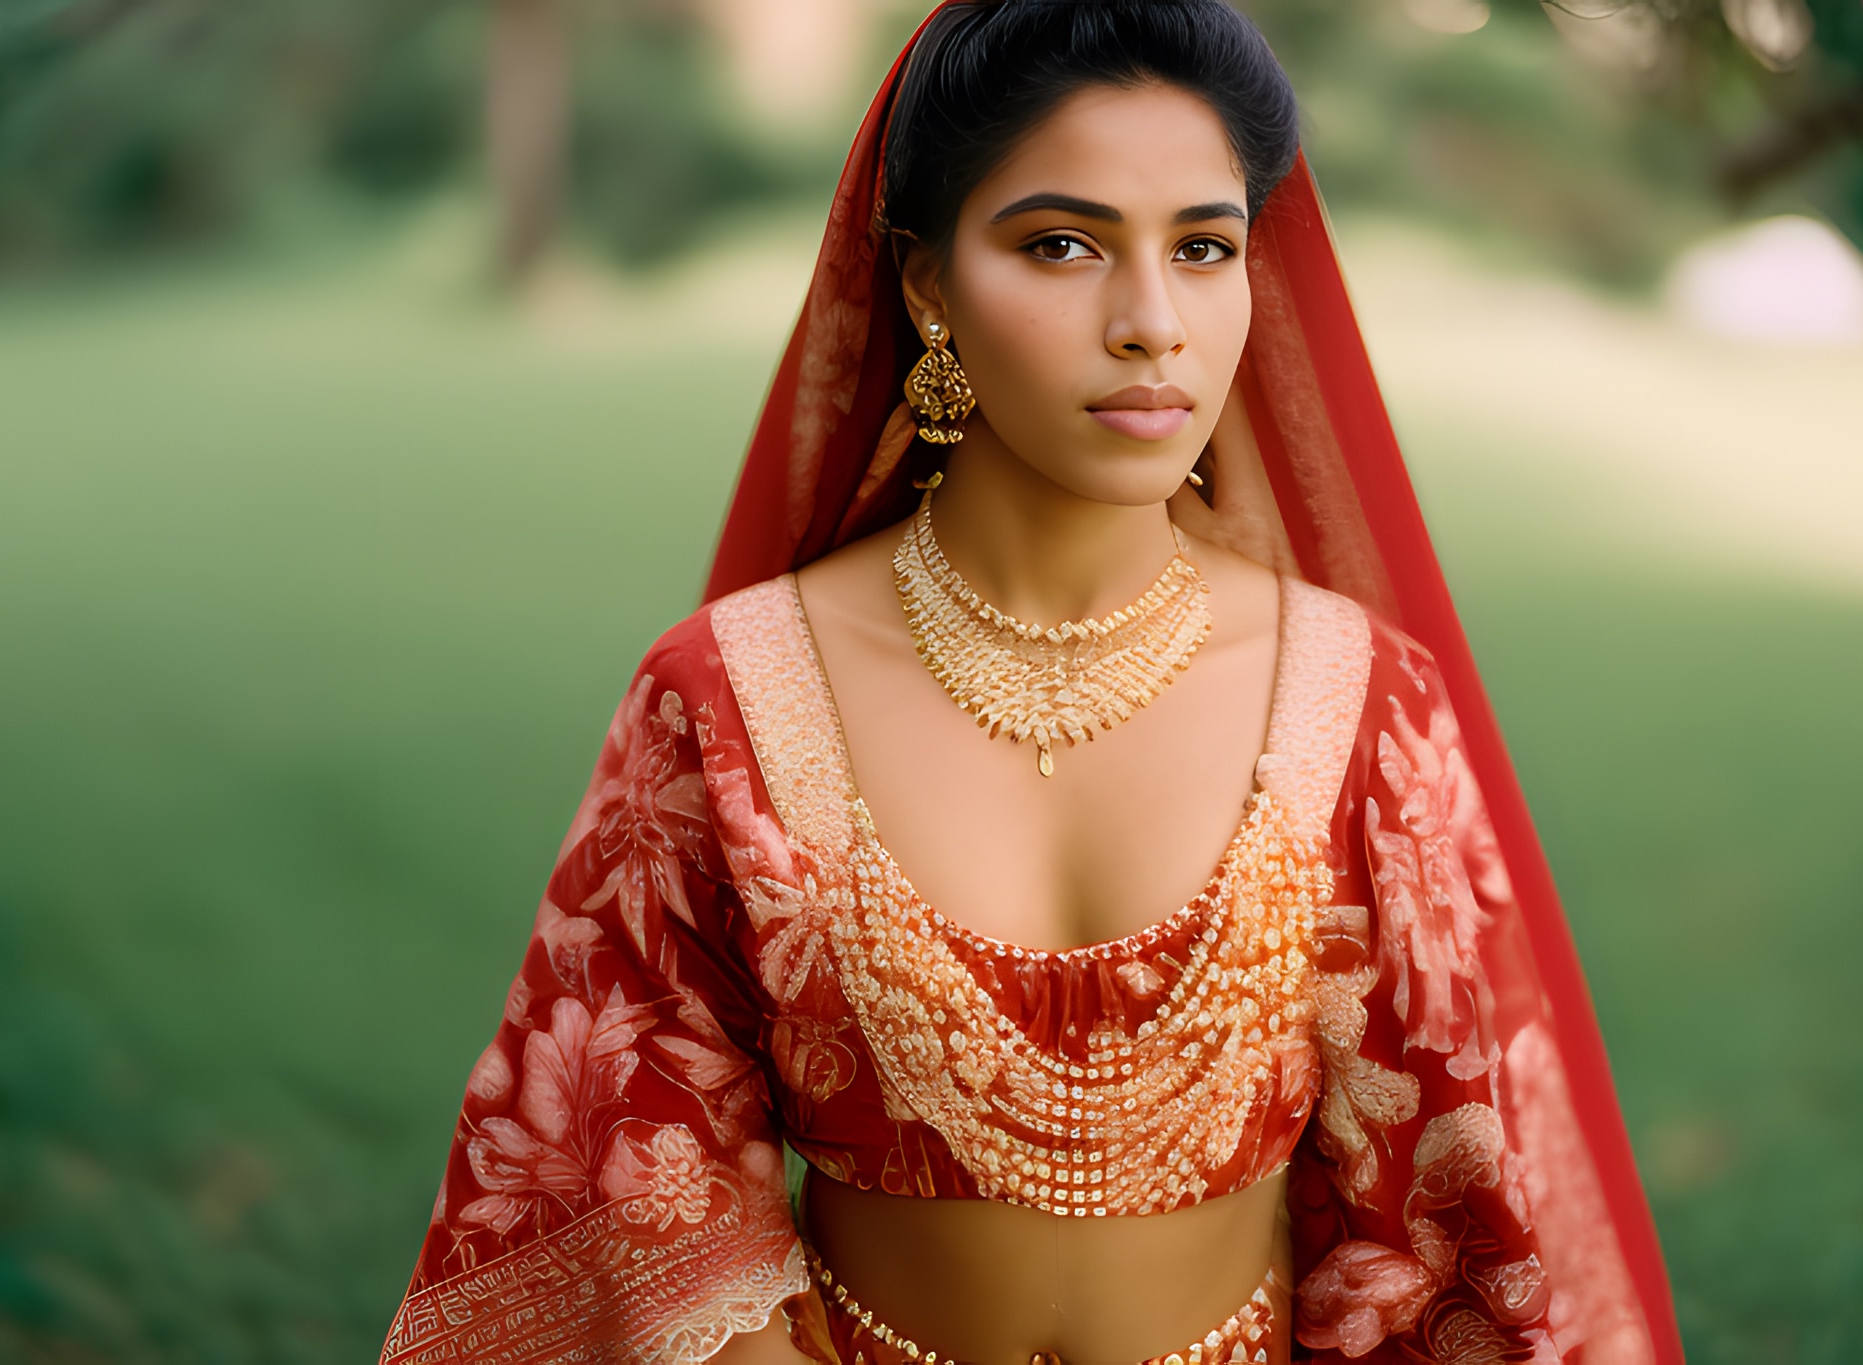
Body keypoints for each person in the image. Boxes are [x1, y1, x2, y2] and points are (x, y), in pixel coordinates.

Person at [378, 3, 1682, 1362]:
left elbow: (1458, 1223)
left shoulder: (1359, 705)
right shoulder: (732, 696)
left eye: (1203, 247)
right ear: (927, 283)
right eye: (1062, 244)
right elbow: (626, 1163)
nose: (1151, 323)